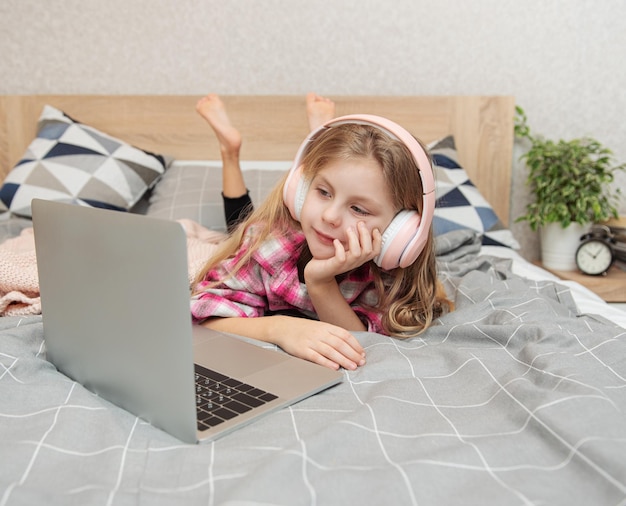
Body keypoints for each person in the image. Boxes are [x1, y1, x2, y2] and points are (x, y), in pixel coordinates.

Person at [192, 93, 452, 371]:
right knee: (237, 227)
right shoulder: (272, 245)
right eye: (323, 191)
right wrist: (279, 328)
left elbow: (361, 348)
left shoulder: (388, 278)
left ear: (400, 232)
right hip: (258, 238)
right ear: (300, 190)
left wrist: (320, 282)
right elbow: (204, 315)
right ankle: (229, 152)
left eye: (359, 209)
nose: (329, 216)